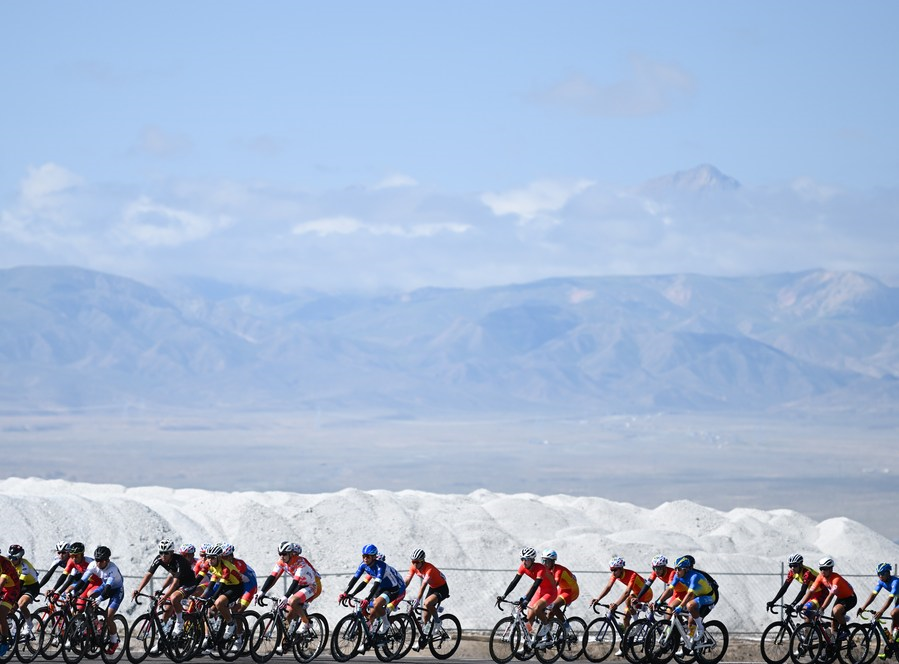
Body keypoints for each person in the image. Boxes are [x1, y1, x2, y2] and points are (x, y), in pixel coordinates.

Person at [339, 544, 406, 654]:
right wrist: (346, 593)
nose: (365, 558)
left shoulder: (381, 566)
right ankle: (369, 640)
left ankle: (386, 623)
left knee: (376, 604)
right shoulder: (364, 565)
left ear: (374, 557)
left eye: (368, 556)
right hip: (381, 588)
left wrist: (367, 598)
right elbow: (356, 580)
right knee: (372, 614)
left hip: (393, 589)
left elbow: (376, 583)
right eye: (363, 556)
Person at [131, 538, 198, 637]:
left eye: (166, 553)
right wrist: (138, 589)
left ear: (171, 553)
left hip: (189, 583)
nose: (163, 556)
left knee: (174, 598)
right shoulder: (159, 559)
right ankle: (162, 640)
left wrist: (166, 596)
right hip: (178, 582)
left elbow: (175, 583)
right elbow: (149, 574)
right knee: (167, 608)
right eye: (161, 552)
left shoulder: (180, 561)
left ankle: (180, 622)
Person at [67, 546, 125, 655]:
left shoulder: (112, 569)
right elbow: (82, 581)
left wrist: (99, 600)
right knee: (89, 597)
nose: (98, 563)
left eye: (100, 561)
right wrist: (74, 592)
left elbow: (107, 589)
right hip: (104, 586)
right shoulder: (93, 565)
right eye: (96, 560)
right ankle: (95, 625)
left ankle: (114, 639)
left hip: (116, 590)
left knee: (109, 616)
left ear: (107, 560)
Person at [257, 542, 322, 635]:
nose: (281, 557)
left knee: (293, 601)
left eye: (284, 554)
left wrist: (286, 596)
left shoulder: (301, 563)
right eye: (280, 554)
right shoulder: (281, 562)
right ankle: (286, 640)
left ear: (291, 554)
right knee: (287, 618)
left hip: (312, 585)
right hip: (300, 585)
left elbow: (295, 581)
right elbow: (272, 577)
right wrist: (262, 591)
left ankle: (306, 622)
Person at [195, 543, 248, 651]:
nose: (210, 560)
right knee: (210, 611)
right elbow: (204, 583)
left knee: (218, 603)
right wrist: (189, 590)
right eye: (208, 557)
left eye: (213, 558)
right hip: (225, 586)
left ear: (219, 557)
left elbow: (220, 588)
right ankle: (212, 634)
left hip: (235, 587)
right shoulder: (208, 564)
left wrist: (212, 599)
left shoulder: (226, 567)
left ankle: (231, 623)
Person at [496, 547, 557, 641]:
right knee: (530, 616)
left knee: (536, 608)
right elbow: (514, 582)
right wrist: (504, 595)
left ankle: (547, 628)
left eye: (527, 559)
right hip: (540, 590)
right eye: (522, 559)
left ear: (532, 560)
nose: (524, 562)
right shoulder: (523, 567)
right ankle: (531, 640)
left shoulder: (540, 568)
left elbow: (535, 586)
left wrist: (526, 601)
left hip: (550, 592)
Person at [654, 556, 717, 643]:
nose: (676, 572)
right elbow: (669, 589)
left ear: (686, 569)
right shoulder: (677, 575)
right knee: (690, 623)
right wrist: (659, 601)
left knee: (690, 605)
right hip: (698, 596)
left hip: (709, 597)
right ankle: (689, 644)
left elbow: (690, 594)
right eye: (675, 569)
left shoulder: (694, 577)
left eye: (679, 569)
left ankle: (701, 628)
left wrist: (680, 606)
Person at [798, 557, 857, 637]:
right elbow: (811, 591)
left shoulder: (836, 579)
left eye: (825, 569)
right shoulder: (820, 577)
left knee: (836, 611)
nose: (822, 571)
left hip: (850, 598)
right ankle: (835, 641)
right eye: (821, 569)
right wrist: (801, 604)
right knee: (833, 625)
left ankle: (846, 630)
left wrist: (822, 609)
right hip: (840, 597)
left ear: (831, 569)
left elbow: (830, 595)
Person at [591, 556, 650, 635]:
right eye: (611, 570)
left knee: (628, 599)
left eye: (615, 570)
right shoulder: (615, 575)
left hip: (646, 593)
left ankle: (638, 623)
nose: (613, 572)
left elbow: (627, 593)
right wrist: (598, 599)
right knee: (625, 618)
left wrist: (616, 604)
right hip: (636, 595)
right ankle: (628, 640)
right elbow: (608, 587)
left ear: (621, 569)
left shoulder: (632, 575)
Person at [404, 548, 450, 650]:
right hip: (432, 587)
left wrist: (417, 600)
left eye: (416, 562)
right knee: (425, 617)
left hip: (442, 588)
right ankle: (424, 638)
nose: (414, 564)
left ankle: (438, 622)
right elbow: (407, 580)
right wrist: (400, 590)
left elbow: (423, 586)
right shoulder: (413, 567)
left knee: (427, 603)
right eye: (413, 562)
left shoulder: (429, 569)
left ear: (422, 561)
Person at [855, 563, 898, 642]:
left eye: (882, 573)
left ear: (888, 573)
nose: (880, 576)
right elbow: (873, 594)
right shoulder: (881, 582)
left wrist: (881, 611)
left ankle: (894, 639)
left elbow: (890, 598)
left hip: (895, 599)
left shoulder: (895, 582)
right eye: (878, 574)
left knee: (893, 613)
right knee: (894, 619)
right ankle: (892, 645)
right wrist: (863, 607)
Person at [8, 545, 42, 639]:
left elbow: (20, 584)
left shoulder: (25, 566)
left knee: (21, 604)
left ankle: (29, 625)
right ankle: (13, 628)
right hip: (19, 586)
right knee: (8, 608)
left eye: (14, 558)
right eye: (9, 557)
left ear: (20, 558)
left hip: (31, 587)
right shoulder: (9, 564)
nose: (11, 560)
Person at [540, 549, 579, 623]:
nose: (544, 564)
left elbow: (554, 586)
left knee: (554, 606)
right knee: (549, 612)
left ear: (553, 562)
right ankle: (548, 633)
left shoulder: (559, 570)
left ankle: (565, 626)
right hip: (562, 589)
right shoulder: (547, 570)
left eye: (547, 561)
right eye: (543, 561)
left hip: (572, 591)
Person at [0, 552, 22, 658]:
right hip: (3, 587)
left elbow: (2, 583)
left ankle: (4, 640)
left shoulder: (5, 564)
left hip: (12, 589)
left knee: (1, 613)